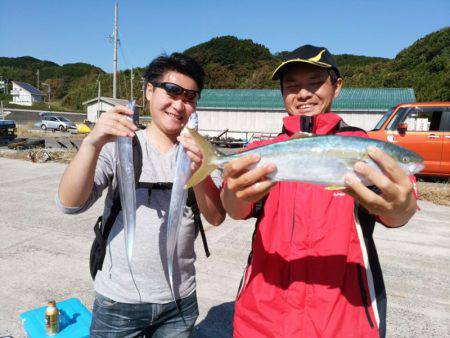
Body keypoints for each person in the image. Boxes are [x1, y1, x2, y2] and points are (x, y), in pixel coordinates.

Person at [220, 45, 418, 338]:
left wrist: (399, 208)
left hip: (345, 320)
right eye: (292, 86)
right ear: (282, 93)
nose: (303, 94)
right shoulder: (259, 153)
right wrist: (232, 197)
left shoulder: (366, 148)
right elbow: (236, 209)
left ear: (337, 87)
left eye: (315, 83)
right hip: (262, 320)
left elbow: (400, 210)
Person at [57, 53, 225, 337]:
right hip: (118, 301)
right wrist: (92, 142)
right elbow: (70, 204)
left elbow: (216, 216)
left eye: (190, 97)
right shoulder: (120, 144)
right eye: (172, 91)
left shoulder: (202, 152)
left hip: (179, 301)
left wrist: (200, 170)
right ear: (149, 90)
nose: (179, 105)